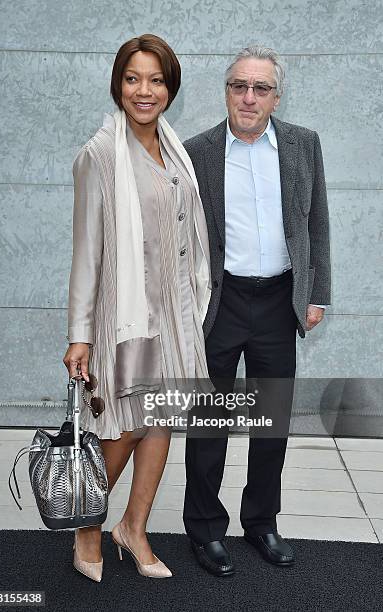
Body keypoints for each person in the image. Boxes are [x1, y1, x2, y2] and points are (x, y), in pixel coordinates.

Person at [63, 33, 211, 582]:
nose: (143, 90)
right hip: (126, 313)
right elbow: (86, 252)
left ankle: (133, 527)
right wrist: (80, 334)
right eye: (132, 78)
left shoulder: (174, 148)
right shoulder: (99, 155)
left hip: (175, 311)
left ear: (170, 88)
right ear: (117, 85)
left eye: (155, 79)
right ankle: (87, 526)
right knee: (122, 427)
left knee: (163, 419)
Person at [182, 45, 331, 576]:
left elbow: (317, 223)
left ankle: (261, 523)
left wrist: (316, 294)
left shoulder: (302, 145)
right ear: (225, 91)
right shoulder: (196, 150)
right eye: (239, 86)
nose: (248, 97)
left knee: (271, 423)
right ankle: (203, 530)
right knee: (211, 423)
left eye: (260, 88)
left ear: (276, 95)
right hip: (219, 304)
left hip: (277, 301)